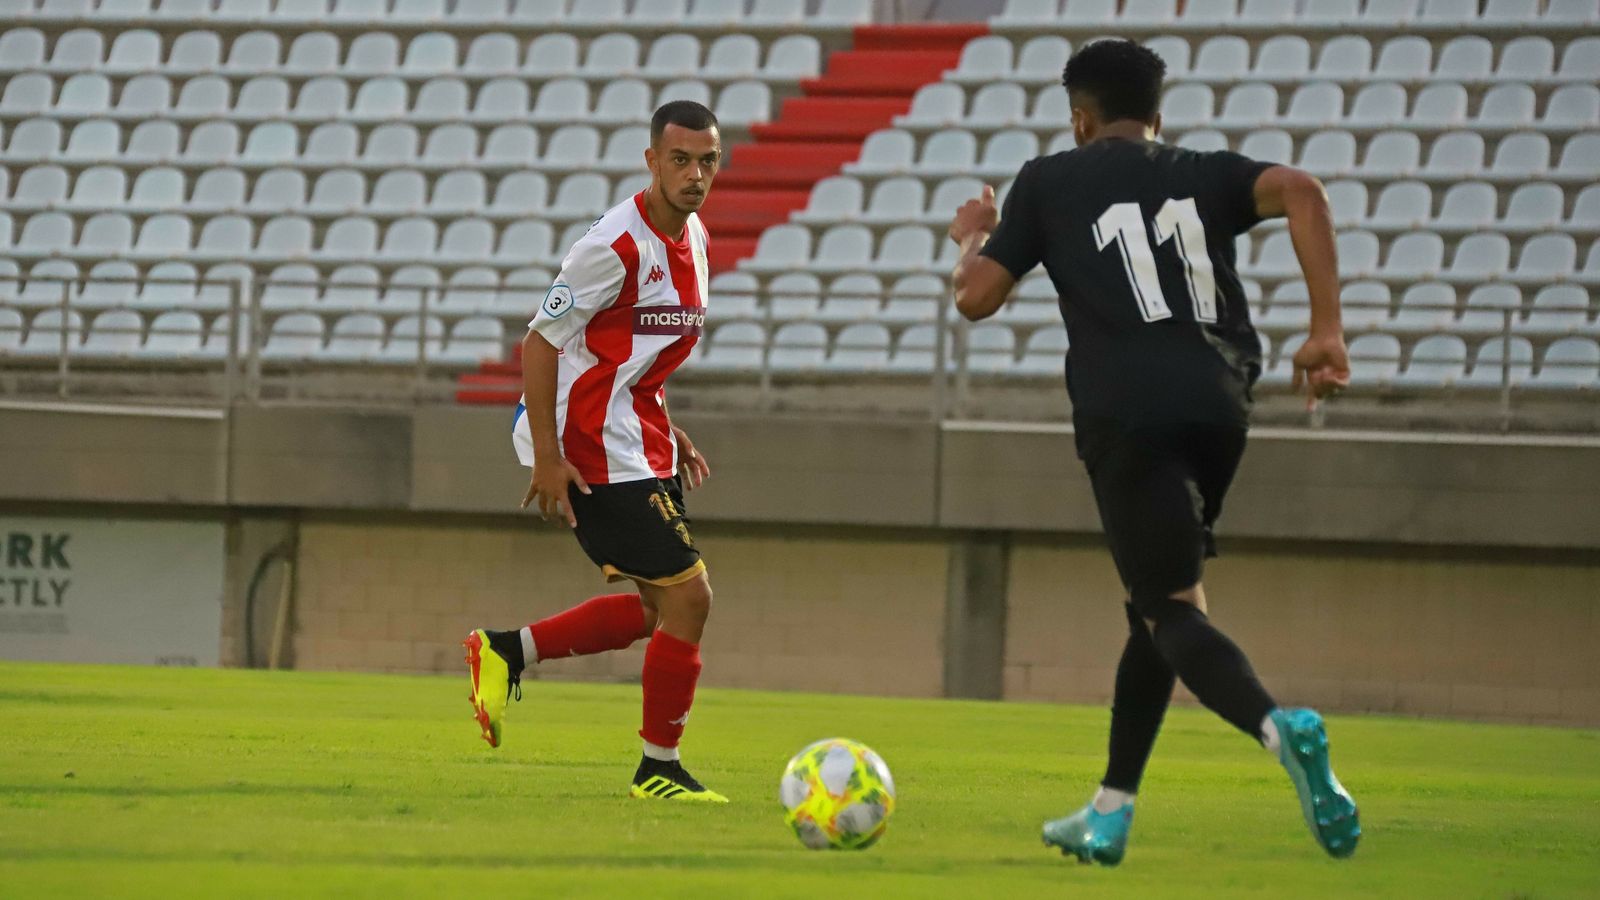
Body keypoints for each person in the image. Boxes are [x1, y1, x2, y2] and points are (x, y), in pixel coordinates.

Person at [947, 39, 1358, 864]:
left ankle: (1281, 731)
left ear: (1079, 120)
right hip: (1219, 406)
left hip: (1126, 414)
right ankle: (1109, 810)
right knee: (1159, 604)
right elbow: (1305, 191)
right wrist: (1326, 330)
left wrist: (971, 235)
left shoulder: (1050, 180)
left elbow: (977, 299)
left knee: (1168, 608)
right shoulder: (1203, 169)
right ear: (1157, 116)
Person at [463, 100, 726, 803]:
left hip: (638, 435)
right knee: (691, 599)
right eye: (680, 160)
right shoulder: (613, 246)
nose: (695, 174)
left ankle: (504, 650)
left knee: (656, 610)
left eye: (707, 161)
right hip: (589, 444)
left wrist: (674, 431)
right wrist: (550, 459)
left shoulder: (697, 237)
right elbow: (541, 341)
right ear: (651, 161)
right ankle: (658, 768)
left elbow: (634, 355)